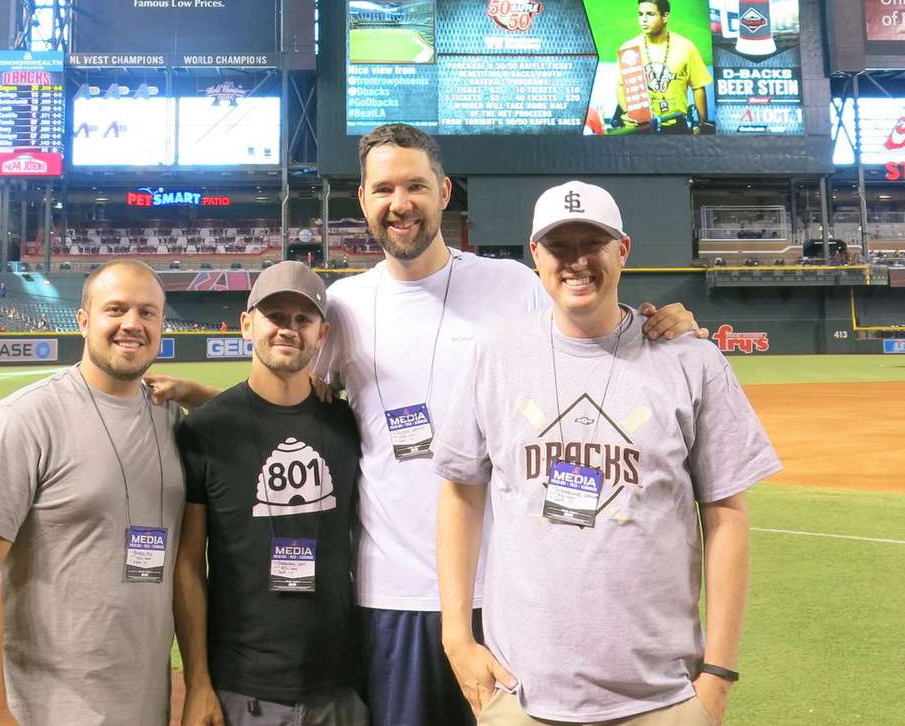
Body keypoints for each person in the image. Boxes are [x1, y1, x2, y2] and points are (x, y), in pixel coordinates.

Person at [311, 124, 708, 726]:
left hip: (517, 597)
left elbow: (594, 331)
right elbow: (298, 407)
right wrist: (197, 399)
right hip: (392, 593)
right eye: (384, 188)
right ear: (361, 200)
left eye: (415, 185)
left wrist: (667, 321)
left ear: (444, 192)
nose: (401, 203)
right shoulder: (342, 307)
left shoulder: (512, 285)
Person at [435, 181, 781, 726]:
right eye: (559, 247)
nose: (576, 262)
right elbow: (460, 494)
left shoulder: (690, 362)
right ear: (535, 256)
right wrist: (456, 636)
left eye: (591, 243)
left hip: (663, 698)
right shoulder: (493, 356)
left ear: (622, 250)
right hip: (520, 693)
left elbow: (727, 516)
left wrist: (717, 676)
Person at [0, 259, 191, 725]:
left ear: (162, 324)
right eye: (115, 310)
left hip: (146, 701)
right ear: (83, 322)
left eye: (148, 313)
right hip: (49, 707)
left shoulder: (170, 418)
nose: (132, 324)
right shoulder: (25, 419)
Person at [175, 261, 368, 726]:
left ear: (322, 335)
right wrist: (198, 681)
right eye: (275, 316)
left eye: (302, 320)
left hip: (340, 682)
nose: (289, 329)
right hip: (241, 688)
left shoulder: (349, 424)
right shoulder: (205, 429)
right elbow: (187, 563)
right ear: (247, 324)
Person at [615, 0, 713, 135]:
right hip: (642, 126)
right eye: (640, 14)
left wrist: (700, 124)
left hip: (678, 125)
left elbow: (698, 88)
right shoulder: (629, 48)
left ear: (665, 17)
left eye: (650, 14)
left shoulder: (686, 47)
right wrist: (627, 112)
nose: (643, 20)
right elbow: (621, 86)